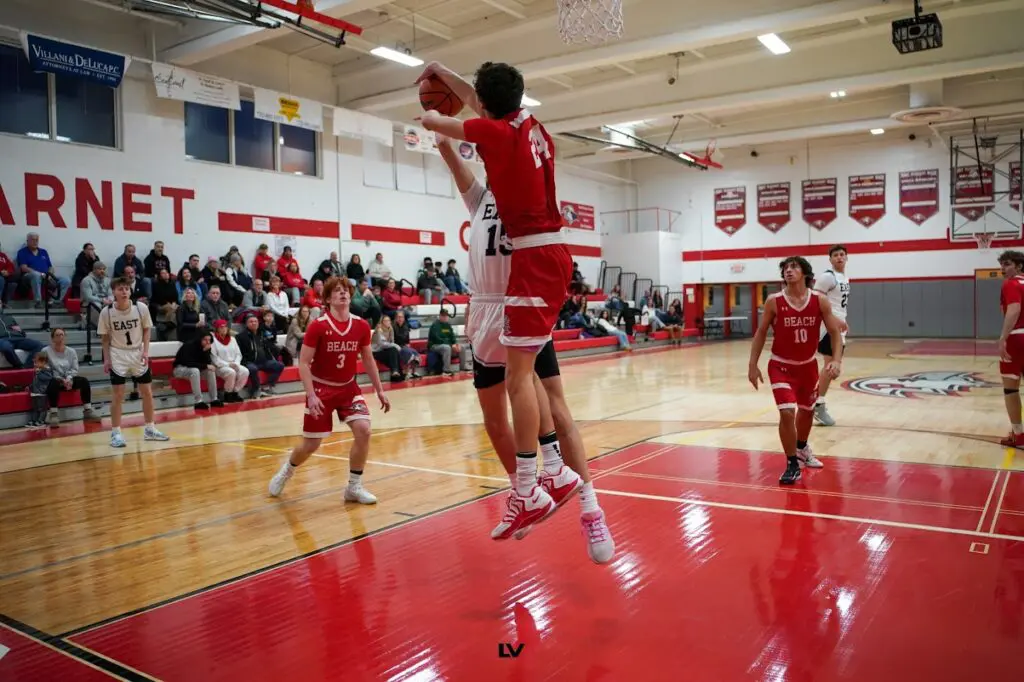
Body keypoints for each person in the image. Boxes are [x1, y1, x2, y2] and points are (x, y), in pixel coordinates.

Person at [437, 134, 613, 561]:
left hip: (523, 306)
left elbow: (519, 143)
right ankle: (528, 495)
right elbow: (452, 156)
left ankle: (590, 507)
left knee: (555, 407)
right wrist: (443, 128)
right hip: (484, 311)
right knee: (494, 420)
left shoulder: (534, 193)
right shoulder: (480, 199)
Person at [419, 62, 573, 520]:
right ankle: (548, 476)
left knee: (520, 381)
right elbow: (473, 107)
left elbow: (439, 119)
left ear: (486, 107)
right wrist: (444, 74)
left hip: (531, 266)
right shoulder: (528, 127)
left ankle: (533, 485)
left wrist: (430, 108)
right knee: (515, 383)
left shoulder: (499, 136)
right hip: (529, 270)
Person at [268, 277, 390, 504]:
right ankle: (287, 470)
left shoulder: (362, 325)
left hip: (348, 387)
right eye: (337, 291)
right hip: (321, 388)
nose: (343, 294)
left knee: (364, 430)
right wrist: (311, 395)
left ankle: (354, 487)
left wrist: (379, 389)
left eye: (346, 290)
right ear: (327, 298)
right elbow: (303, 363)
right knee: (310, 444)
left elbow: (368, 358)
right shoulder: (318, 326)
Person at [748, 257, 844, 485]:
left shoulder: (820, 301)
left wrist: (837, 360)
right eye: (785, 268)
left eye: (794, 267)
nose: (788, 271)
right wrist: (753, 364)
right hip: (780, 365)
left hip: (808, 367)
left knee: (807, 411)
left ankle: (801, 448)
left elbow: (835, 333)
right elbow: (761, 332)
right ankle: (792, 462)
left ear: (805, 273)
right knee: (787, 412)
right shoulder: (774, 301)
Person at [97, 277, 170, 448]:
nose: (124, 292)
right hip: (118, 354)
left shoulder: (140, 308)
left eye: (126, 289)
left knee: (147, 392)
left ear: (130, 291)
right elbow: (105, 339)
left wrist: (145, 351)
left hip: (137, 353)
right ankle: (116, 433)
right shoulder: (106, 312)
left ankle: (150, 429)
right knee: (118, 394)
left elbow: (146, 330)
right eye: (120, 289)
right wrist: (106, 359)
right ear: (113, 292)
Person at [813, 245, 851, 427]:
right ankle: (817, 404)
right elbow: (816, 301)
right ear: (830, 259)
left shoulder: (844, 277)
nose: (839, 257)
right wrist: (834, 319)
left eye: (842, 254)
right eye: (835, 255)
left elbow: (838, 304)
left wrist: (842, 320)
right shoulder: (828, 277)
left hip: (838, 324)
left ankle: (816, 401)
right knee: (830, 366)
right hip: (828, 325)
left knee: (832, 368)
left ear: (847, 258)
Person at [43, 327, 100, 425]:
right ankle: (53, 413)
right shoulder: (45, 351)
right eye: (57, 335)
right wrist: (61, 379)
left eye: (62, 335)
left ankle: (87, 410)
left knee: (84, 381)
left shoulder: (71, 351)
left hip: (69, 379)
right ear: (52, 338)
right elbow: (45, 370)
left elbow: (74, 369)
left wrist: (69, 379)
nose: (60, 337)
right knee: (53, 382)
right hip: (54, 379)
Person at [996, 250, 1024, 447]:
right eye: (1002, 265)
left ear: (1019, 266)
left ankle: (1019, 434)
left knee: (1010, 389)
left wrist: (1003, 338)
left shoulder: (1011, 284)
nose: (1003, 269)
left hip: (1017, 338)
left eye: (1007, 264)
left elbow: (1014, 309)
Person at [173, 331, 222, 410]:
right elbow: (188, 363)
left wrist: (206, 352)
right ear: (200, 339)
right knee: (195, 371)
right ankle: (198, 401)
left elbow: (207, 363)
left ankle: (214, 399)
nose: (208, 342)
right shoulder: (189, 345)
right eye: (205, 340)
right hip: (180, 369)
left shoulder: (206, 347)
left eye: (209, 340)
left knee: (210, 371)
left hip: (195, 369)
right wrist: (205, 365)